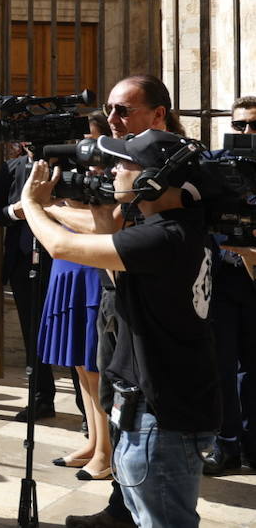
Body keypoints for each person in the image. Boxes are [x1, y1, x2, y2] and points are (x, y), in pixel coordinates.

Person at [23, 129, 219, 528]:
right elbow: (113, 259)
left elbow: (61, 246)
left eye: (125, 163)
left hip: (161, 418)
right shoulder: (179, 228)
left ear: (153, 179)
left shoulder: (163, 238)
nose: (114, 170)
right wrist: (102, 206)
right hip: (155, 409)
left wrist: (31, 204)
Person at [65, 73, 181, 528]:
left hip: (155, 304)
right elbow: (111, 224)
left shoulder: (172, 163)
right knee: (116, 396)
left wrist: (35, 208)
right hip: (118, 294)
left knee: (146, 411)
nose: (111, 119)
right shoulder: (117, 158)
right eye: (109, 109)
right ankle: (121, 505)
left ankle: (143, 507)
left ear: (158, 115)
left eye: (123, 110)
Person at [35, 114, 113, 479]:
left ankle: (107, 452)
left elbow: (102, 223)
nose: (82, 143)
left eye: (90, 137)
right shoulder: (68, 172)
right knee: (81, 367)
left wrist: (46, 207)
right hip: (69, 268)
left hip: (92, 269)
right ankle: (94, 442)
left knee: (96, 368)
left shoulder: (113, 174)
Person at [0, 141, 86, 424]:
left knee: (72, 334)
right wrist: (14, 212)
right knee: (33, 333)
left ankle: (86, 408)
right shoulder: (12, 168)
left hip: (64, 264)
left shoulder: (71, 167)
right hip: (22, 264)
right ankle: (42, 398)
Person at [200, 95, 256, 475]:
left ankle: (253, 446)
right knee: (220, 367)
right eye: (239, 126)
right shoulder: (216, 165)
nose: (246, 133)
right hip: (221, 279)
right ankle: (227, 445)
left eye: (254, 125)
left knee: (252, 370)